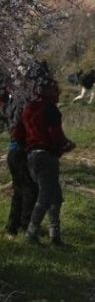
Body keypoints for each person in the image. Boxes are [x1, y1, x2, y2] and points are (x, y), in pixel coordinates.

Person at [23, 79, 75, 245]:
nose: (58, 93)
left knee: (55, 197)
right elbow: (56, 135)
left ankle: (55, 236)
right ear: (48, 92)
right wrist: (67, 145)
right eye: (55, 90)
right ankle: (31, 234)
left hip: (32, 156)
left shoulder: (29, 107)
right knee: (45, 197)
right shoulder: (50, 109)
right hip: (46, 157)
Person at [0, 89, 37, 237]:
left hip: (16, 152)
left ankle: (15, 226)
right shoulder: (23, 108)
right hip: (20, 153)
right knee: (29, 189)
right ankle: (22, 226)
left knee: (21, 190)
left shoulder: (13, 105)